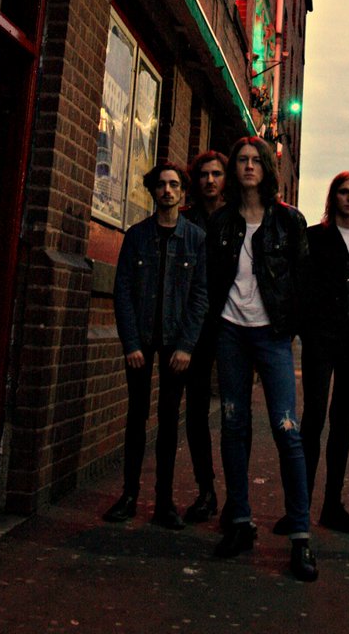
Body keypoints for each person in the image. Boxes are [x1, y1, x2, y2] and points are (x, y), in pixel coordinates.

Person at [206, 136, 318, 582]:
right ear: (234, 169)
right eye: (242, 161)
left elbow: (303, 283)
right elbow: (214, 281)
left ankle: (301, 537)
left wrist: (291, 329)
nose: (248, 166)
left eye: (256, 161)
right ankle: (239, 522)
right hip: (231, 332)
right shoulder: (221, 222)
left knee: (286, 429)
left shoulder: (290, 222)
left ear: (267, 168)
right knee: (233, 423)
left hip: (272, 334)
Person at [274, 171, 349, 536]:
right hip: (320, 339)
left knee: (343, 421)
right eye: (343, 192)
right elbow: (302, 284)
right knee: (314, 418)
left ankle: (332, 505)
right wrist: (308, 325)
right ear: (333, 197)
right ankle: (298, 508)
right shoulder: (315, 237)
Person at [103, 160, 207, 529]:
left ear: (182, 192)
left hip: (176, 344)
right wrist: (130, 343)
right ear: (153, 190)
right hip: (142, 342)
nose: (167, 190)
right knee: (136, 418)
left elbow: (200, 296)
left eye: (174, 185)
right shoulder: (137, 236)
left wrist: (187, 346)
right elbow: (124, 292)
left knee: (167, 421)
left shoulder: (196, 239)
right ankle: (129, 496)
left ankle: (164, 502)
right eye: (161, 184)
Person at [180, 150, 228, 523]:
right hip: (195, 324)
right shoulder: (186, 221)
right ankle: (206, 489)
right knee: (195, 410)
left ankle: (237, 498)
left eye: (217, 174)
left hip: (231, 322)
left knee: (233, 412)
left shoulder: (237, 221)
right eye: (203, 175)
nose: (210, 181)